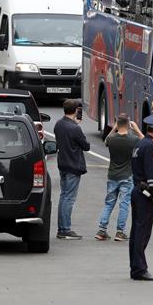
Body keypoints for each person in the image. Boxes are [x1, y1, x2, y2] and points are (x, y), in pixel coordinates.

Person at [129, 114, 153, 281]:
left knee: (137, 232)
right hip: (145, 194)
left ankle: (136, 268)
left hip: (138, 190)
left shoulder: (140, 143)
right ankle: (140, 269)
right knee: (142, 233)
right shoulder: (151, 147)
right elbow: (152, 173)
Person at [95, 114, 143, 241]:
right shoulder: (133, 140)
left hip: (112, 175)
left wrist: (114, 128)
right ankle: (120, 231)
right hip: (127, 176)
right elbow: (144, 142)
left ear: (117, 123)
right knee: (124, 204)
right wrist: (137, 129)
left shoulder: (112, 139)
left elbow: (106, 140)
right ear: (128, 124)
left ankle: (102, 230)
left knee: (109, 203)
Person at [54, 98, 90, 240]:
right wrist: (77, 125)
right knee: (69, 198)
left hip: (63, 163)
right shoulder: (75, 128)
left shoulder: (59, 124)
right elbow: (86, 146)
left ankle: (62, 228)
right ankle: (65, 229)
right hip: (73, 165)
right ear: (76, 111)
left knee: (64, 197)